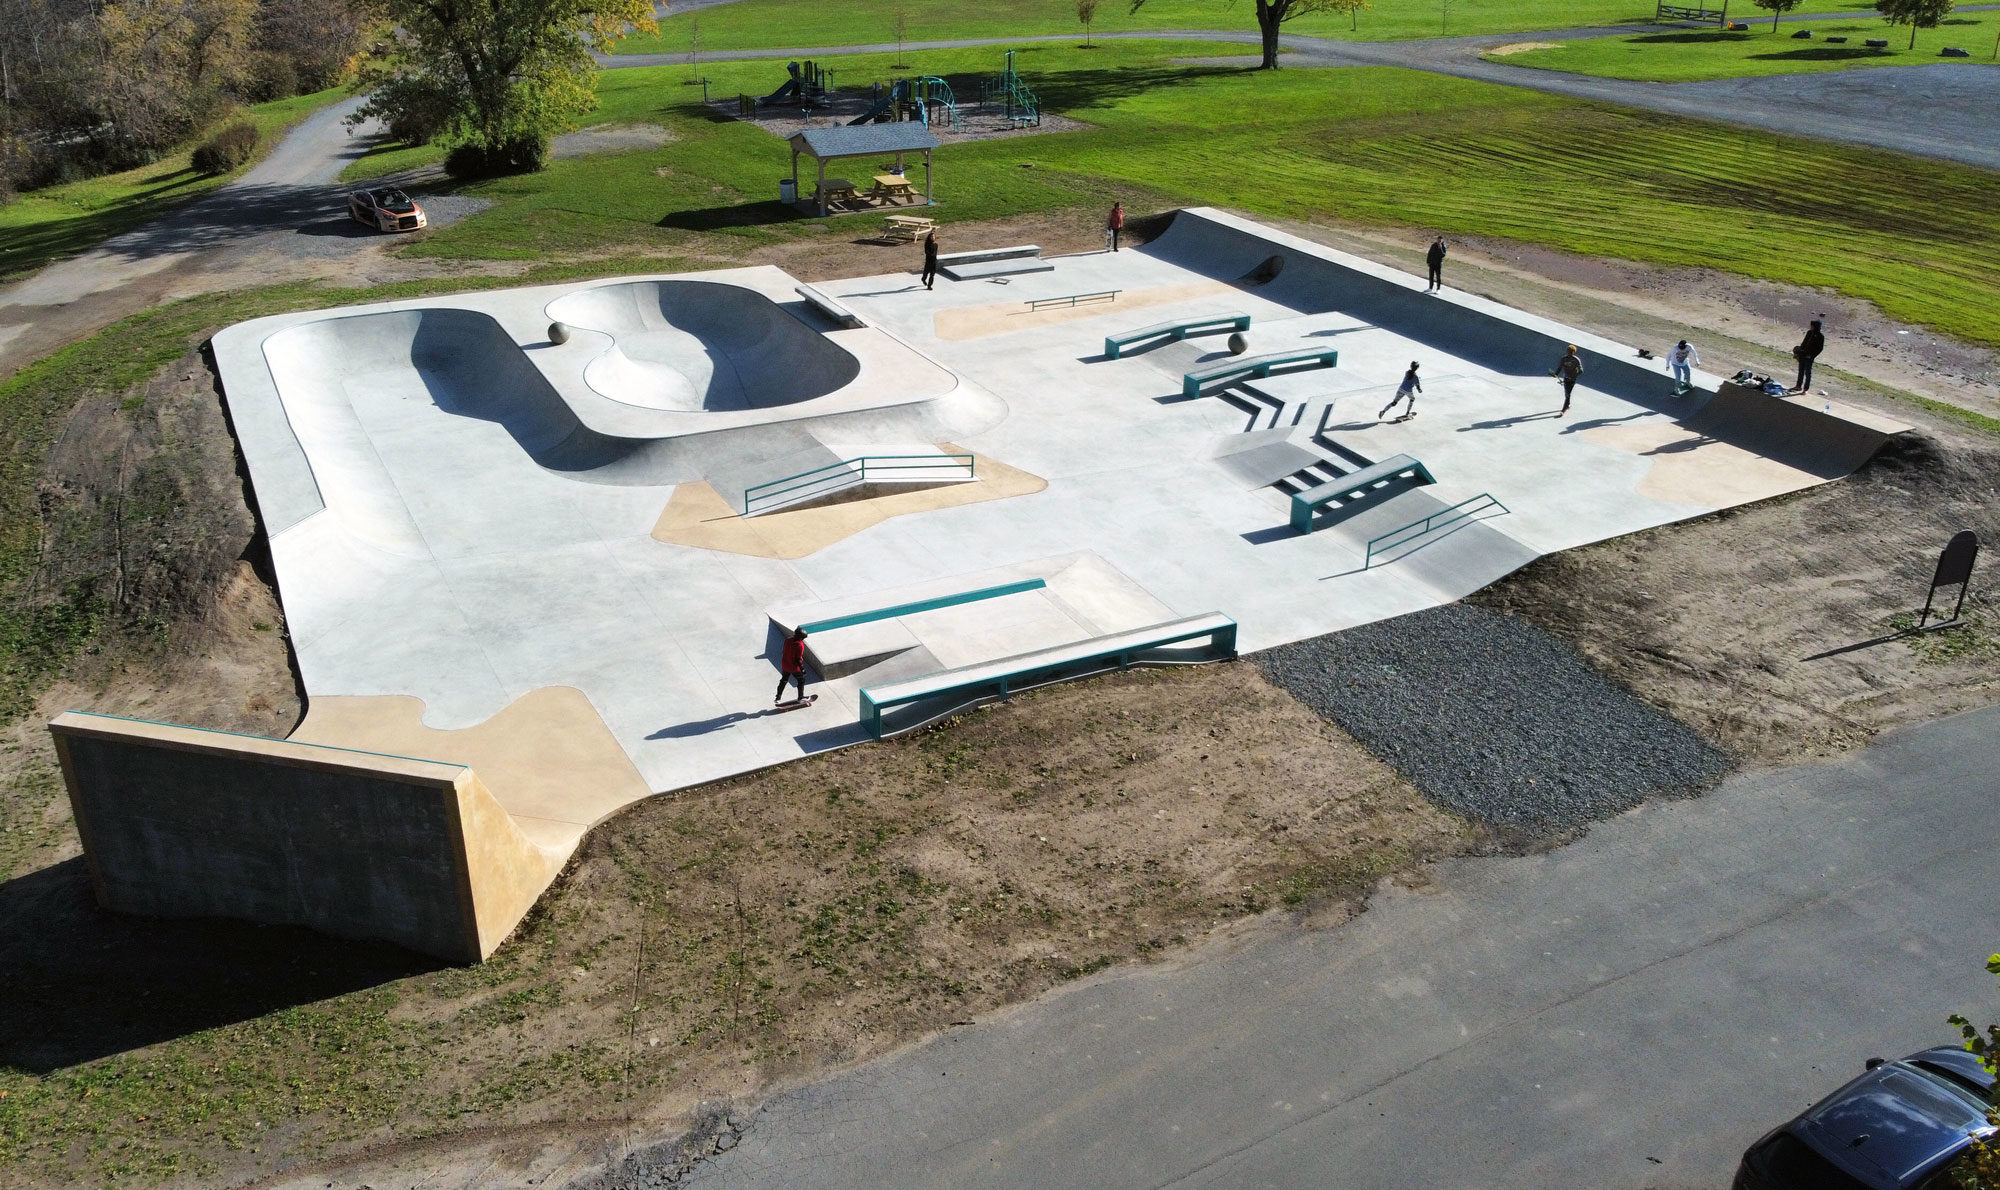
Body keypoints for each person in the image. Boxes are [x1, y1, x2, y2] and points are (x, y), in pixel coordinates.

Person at [774, 627, 810, 706]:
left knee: (783, 681)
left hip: (785, 664)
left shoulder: (787, 640)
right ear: (800, 637)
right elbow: (798, 659)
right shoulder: (800, 645)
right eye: (803, 638)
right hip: (793, 667)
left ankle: (777, 698)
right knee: (801, 680)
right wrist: (802, 669)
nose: (803, 639)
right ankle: (800, 698)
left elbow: (784, 651)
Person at [1791, 318, 1824, 393]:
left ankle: (1805, 389)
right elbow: (1804, 342)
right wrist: (1799, 352)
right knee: (1801, 371)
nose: (1810, 327)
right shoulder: (1809, 333)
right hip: (1803, 354)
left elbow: (1820, 348)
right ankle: (1798, 386)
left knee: (1808, 373)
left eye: (1812, 326)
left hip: (1809, 357)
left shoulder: (1820, 336)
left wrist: (1812, 356)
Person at [1553, 345, 1584, 417]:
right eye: (1568, 351)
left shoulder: (1576, 360)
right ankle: (1568, 404)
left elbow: (1581, 371)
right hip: (1566, 378)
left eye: (1571, 352)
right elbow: (1560, 367)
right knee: (1566, 393)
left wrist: (1575, 374)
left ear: (1574, 352)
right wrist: (1556, 374)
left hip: (1572, 379)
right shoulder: (1564, 359)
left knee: (1567, 394)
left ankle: (1563, 410)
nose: (1569, 353)